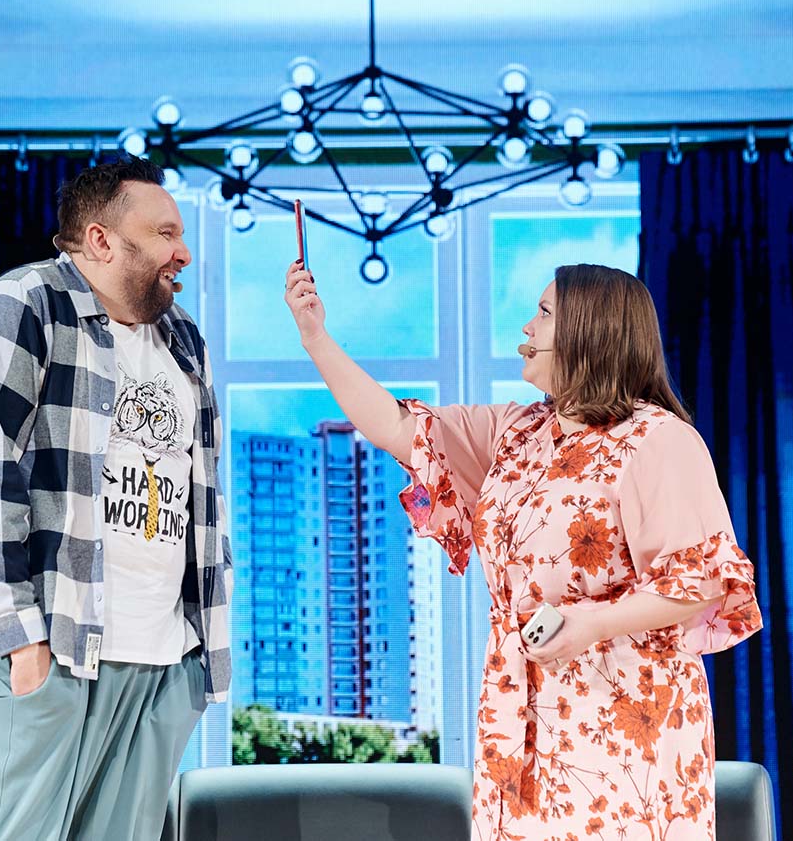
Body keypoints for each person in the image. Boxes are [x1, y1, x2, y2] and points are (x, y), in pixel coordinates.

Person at [284, 259, 761, 840]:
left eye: (544, 313)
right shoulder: (516, 432)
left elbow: (700, 582)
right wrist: (316, 337)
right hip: (518, 712)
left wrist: (591, 623)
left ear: (589, 332)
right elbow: (394, 426)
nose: (528, 328)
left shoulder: (659, 440)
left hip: (625, 712)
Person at [0, 158, 232, 841]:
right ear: (101, 240)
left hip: (161, 659)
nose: (183, 253)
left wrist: (196, 662)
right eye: (164, 233)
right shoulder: (23, 304)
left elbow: (202, 499)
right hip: (52, 644)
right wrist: (21, 637)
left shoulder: (183, 338)